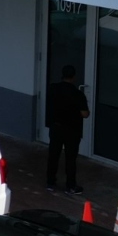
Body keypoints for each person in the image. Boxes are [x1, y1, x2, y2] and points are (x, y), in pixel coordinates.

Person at [46, 64, 89, 194]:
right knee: (70, 158)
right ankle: (70, 186)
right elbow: (85, 114)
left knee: (53, 154)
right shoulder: (77, 94)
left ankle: (50, 182)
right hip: (72, 130)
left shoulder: (53, 88)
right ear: (73, 77)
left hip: (56, 127)